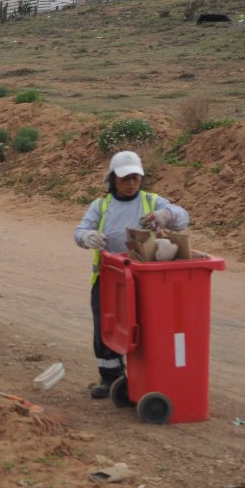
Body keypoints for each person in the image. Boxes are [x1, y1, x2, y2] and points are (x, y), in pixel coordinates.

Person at [74, 150, 189, 399]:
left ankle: (146, 377)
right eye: (125, 178)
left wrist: (166, 215)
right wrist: (87, 237)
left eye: (136, 177)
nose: (131, 183)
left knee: (144, 329)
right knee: (107, 329)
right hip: (109, 279)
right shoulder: (101, 206)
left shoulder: (151, 201)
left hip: (145, 280)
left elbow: (183, 219)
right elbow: (80, 230)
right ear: (113, 178)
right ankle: (111, 379)